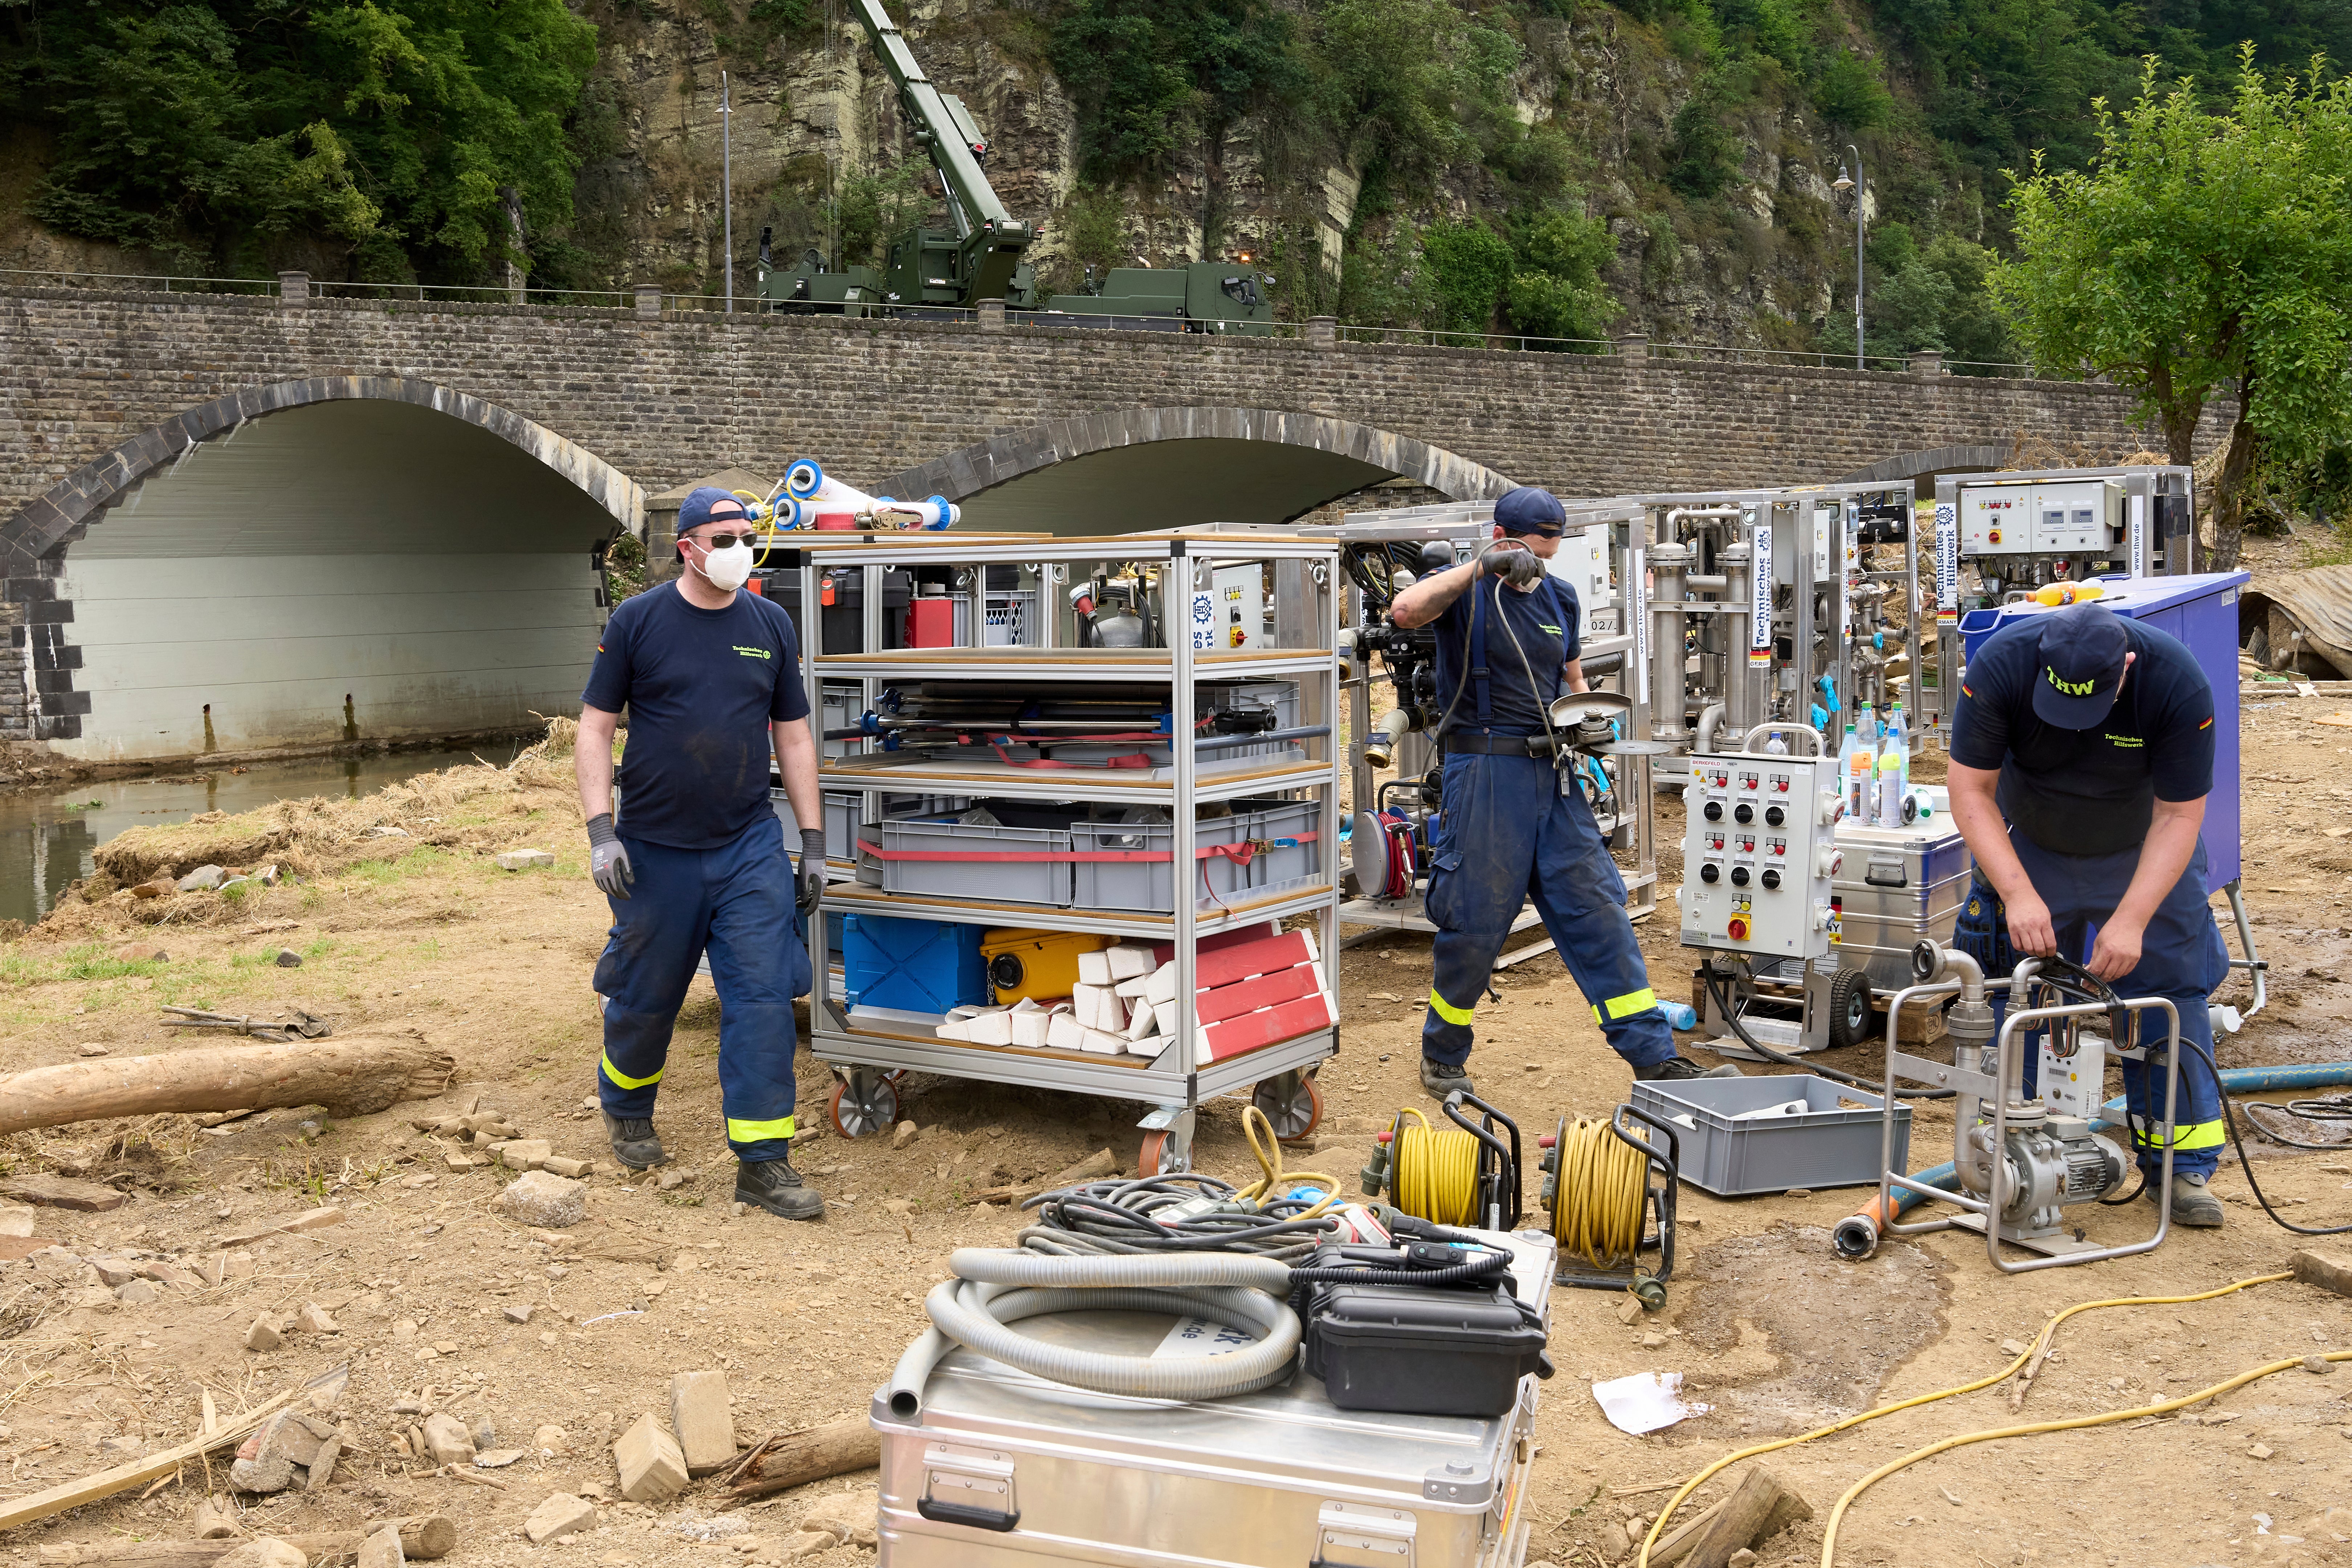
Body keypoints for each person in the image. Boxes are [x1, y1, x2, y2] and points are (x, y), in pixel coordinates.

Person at [1388, 485, 1735, 1097]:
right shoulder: (1466, 591)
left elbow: (1571, 679)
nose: (1537, 566)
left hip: (1553, 775)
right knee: (1472, 925)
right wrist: (1481, 567)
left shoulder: (1560, 598)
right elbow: (1405, 613)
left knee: (1600, 914)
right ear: (1501, 539)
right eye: (1527, 552)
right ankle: (1442, 1056)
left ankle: (1653, 1057)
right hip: (1487, 777)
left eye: (1548, 553)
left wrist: (1591, 723)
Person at [575, 487, 829, 1221]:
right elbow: (595, 730)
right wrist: (602, 833)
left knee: (761, 999)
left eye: (746, 535)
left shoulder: (770, 624)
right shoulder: (638, 621)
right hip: (656, 848)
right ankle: (625, 1104)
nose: (738, 549)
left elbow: (795, 737)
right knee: (646, 995)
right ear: (687, 547)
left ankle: (763, 1163)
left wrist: (811, 843)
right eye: (724, 537)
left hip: (748, 845)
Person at [1946, 600, 2228, 1227]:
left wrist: (2131, 918)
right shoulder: (2002, 666)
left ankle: (2178, 1170)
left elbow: (2180, 815)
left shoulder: (2175, 682)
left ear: (2124, 668)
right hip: (2032, 844)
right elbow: (1970, 789)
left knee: (2170, 995)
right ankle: (2005, 1158)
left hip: (2141, 849)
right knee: (2012, 994)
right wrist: (2017, 893)